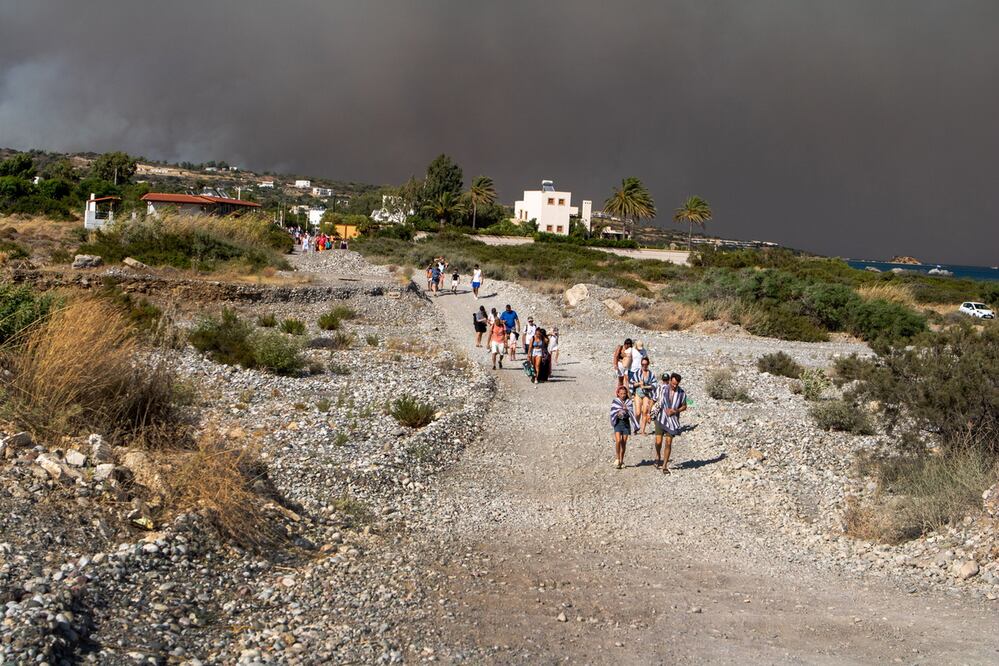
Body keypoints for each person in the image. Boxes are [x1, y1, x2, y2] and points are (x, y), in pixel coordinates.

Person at [651, 373, 687, 474]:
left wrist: (675, 411)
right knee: (658, 442)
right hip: (660, 418)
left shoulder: (681, 393)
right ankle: (658, 455)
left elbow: (684, 406)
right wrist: (650, 413)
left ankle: (665, 465)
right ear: (670, 380)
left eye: (677, 384)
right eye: (673, 383)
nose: (674, 386)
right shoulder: (661, 389)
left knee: (668, 442)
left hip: (672, 421)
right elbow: (653, 400)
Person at [610, 385, 640, 470]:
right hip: (618, 423)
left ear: (626, 393)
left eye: (624, 393)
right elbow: (612, 411)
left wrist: (626, 410)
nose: (623, 395)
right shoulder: (615, 401)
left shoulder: (629, 402)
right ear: (618, 394)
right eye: (621, 393)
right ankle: (617, 458)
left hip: (626, 423)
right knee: (618, 441)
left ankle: (621, 460)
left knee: (624, 442)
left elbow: (631, 413)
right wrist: (618, 412)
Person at [630, 356, 658, 435]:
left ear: (648, 364)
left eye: (645, 364)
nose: (644, 366)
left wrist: (646, 387)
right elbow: (632, 383)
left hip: (647, 394)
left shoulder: (651, 374)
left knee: (645, 412)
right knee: (638, 412)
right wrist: (639, 383)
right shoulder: (637, 373)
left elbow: (654, 385)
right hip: (638, 393)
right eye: (642, 364)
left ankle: (642, 430)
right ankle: (635, 428)